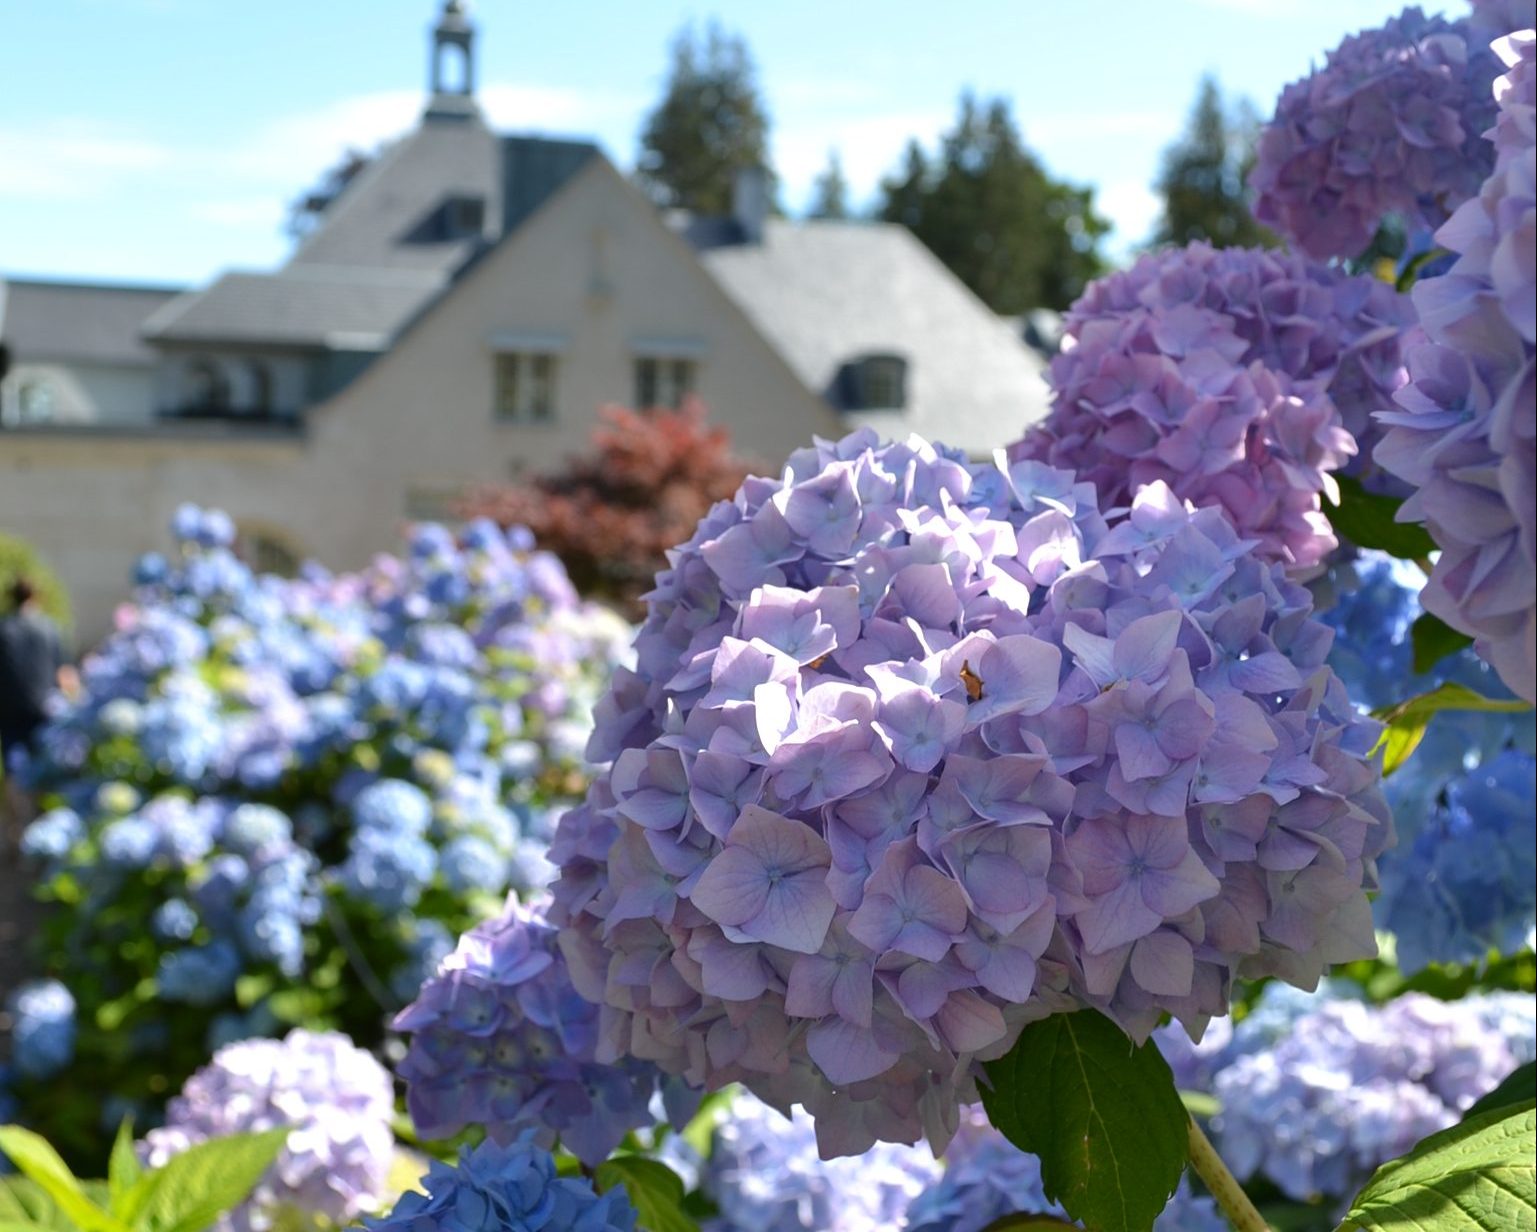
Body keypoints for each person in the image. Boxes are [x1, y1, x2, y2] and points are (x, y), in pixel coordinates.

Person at [0, 575, 67, 780]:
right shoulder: (49, 628)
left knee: (14, 767)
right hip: (45, 706)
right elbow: (64, 673)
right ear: (36, 597)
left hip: (10, 708)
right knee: (45, 764)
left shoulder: (4, 628)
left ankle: (21, 810)